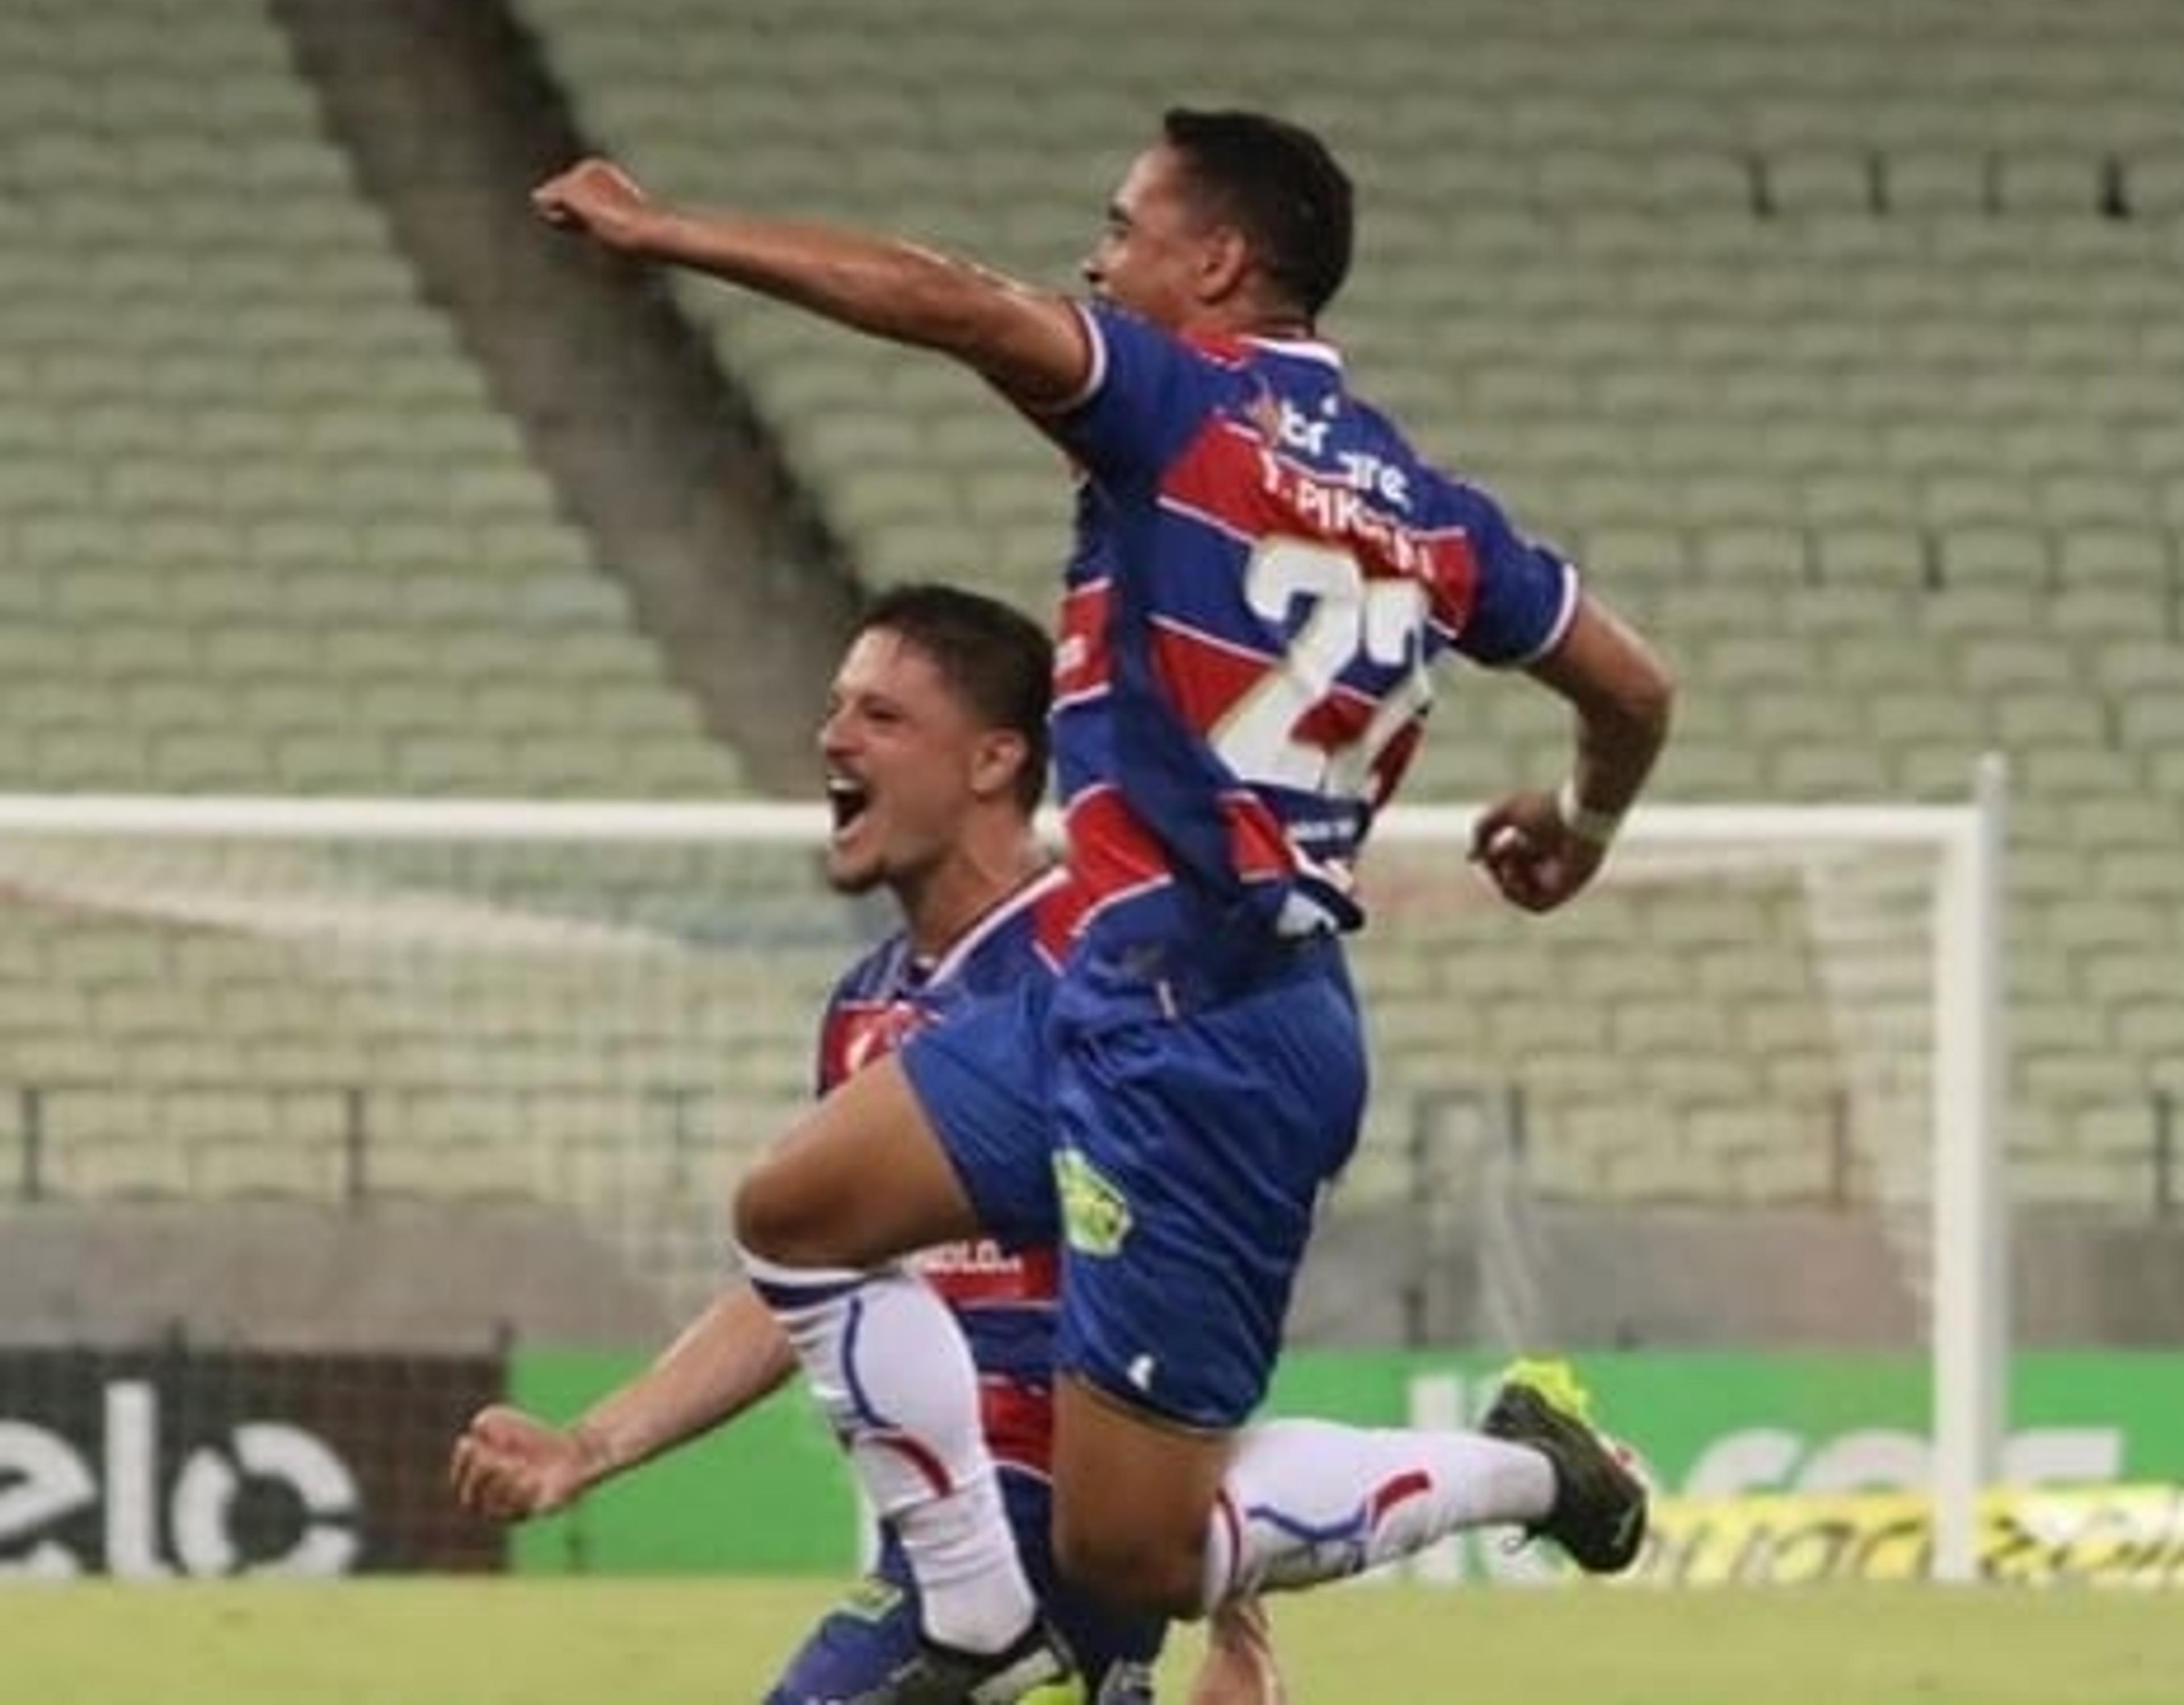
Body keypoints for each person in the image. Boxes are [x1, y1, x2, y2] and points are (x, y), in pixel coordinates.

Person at [532, 107, 1674, 1702]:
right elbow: (1633, 685)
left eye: (1124, 226)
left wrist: (671, 237)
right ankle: (979, 1616)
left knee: (1133, 1550)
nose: (1097, 255)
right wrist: (1581, 819)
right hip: (1111, 993)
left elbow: (948, 298)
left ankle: (1537, 1471)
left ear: (1217, 264)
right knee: (792, 1217)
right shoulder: (1434, 512)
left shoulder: (1178, 405)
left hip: (1215, 1033)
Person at [448, 583, 1287, 1705]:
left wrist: (1239, 1620)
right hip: (953, 1558)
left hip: (1053, 1531)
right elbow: (808, 1283)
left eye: (882, 716)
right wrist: (588, 1446)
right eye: (837, 706)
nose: (832, 736)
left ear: (993, 760)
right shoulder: (866, 1011)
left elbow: (1199, 1273)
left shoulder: (1103, 968)